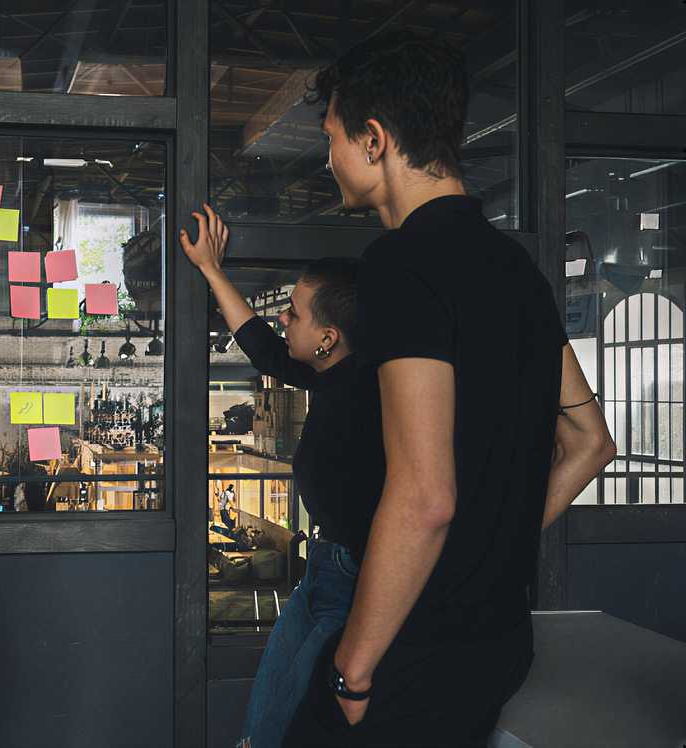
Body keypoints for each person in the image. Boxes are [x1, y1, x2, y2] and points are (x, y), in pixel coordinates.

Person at [282, 32, 616, 746]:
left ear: (374, 141)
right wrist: (490, 552)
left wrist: (353, 669)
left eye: (331, 136)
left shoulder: (400, 266)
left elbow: (426, 497)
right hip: (497, 644)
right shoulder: (516, 269)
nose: (327, 156)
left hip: (413, 646)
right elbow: (591, 444)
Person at [180, 205, 385, 748]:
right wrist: (211, 270)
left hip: (357, 580)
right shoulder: (329, 374)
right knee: (266, 716)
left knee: (296, 720)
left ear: (329, 336)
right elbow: (264, 348)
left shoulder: (368, 392)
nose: (283, 320)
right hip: (321, 567)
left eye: (293, 312)